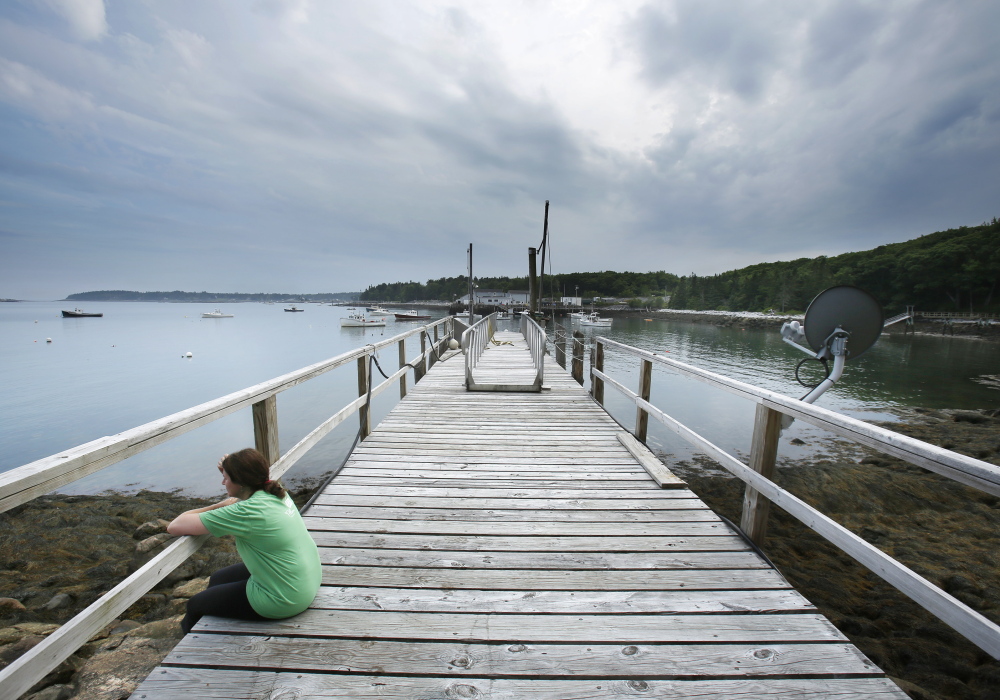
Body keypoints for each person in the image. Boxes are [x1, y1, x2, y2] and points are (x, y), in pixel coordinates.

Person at [167, 448, 322, 634]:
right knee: (218, 578)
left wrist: (220, 505)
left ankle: (192, 655)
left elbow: (175, 525)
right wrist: (232, 470)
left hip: (284, 599)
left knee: (195, 605)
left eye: (226, 478)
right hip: (306, 580)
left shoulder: (246, 511)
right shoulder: (275, 492)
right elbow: (246, 486)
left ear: (241, 482)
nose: (222, 482)